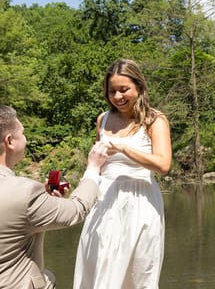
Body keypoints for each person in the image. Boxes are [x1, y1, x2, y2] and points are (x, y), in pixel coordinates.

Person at [0, 105, 109, 289]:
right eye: (22, 133)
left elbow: (7, 217)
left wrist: (43, 198)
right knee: (48, 278)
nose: (26, 138)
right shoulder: (25, 192)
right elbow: (77, 209)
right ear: (10, 141)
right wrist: (93, 169)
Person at [73, 59, 172, 288]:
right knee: (99, 265)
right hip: (104, 200)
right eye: (112, 91)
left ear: (139, 87)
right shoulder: (103, 119)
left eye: (124, 89)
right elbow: (98, 165)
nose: (117, 96)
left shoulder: (154, 120)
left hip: (140, 202)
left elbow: (163, 165)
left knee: (138, 271)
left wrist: (124, 148)